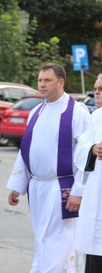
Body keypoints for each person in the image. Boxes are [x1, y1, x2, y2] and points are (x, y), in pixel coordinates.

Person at [7, 63, 90, 273]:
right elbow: (26, 151)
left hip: (61, 185)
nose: (42, 85)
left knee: (58, 240)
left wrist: (79, 192)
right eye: (40, 80)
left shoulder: (76, 112)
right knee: (43, 239)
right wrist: (18, 184)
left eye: (47, 80)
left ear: (61, 82)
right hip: (37, 186)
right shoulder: (36, 111)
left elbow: (85, 155)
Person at [73, 74, 102, 272]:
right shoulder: (96, 117)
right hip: (97, 195)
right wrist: (92, 149)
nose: (97, 92)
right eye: (96, 88)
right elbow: (80, 148)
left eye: (101, 89)